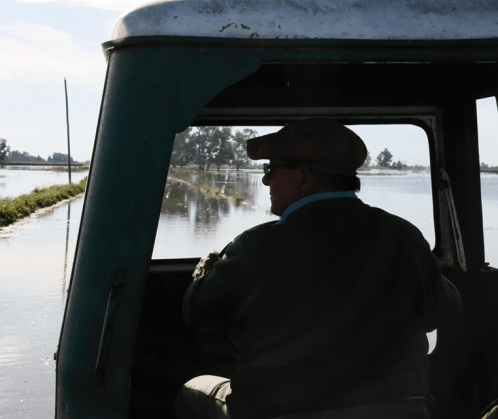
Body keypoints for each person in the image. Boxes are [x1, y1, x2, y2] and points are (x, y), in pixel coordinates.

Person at [174, 119, 463, 419]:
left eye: (270, 170)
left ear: (302, 177)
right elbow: (447, 312)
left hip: (279, 412)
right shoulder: (405, 236)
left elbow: (196, 311)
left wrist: (205, 272)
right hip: (401, 411)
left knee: (191, 392)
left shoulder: (255, 246)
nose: (265, 181)